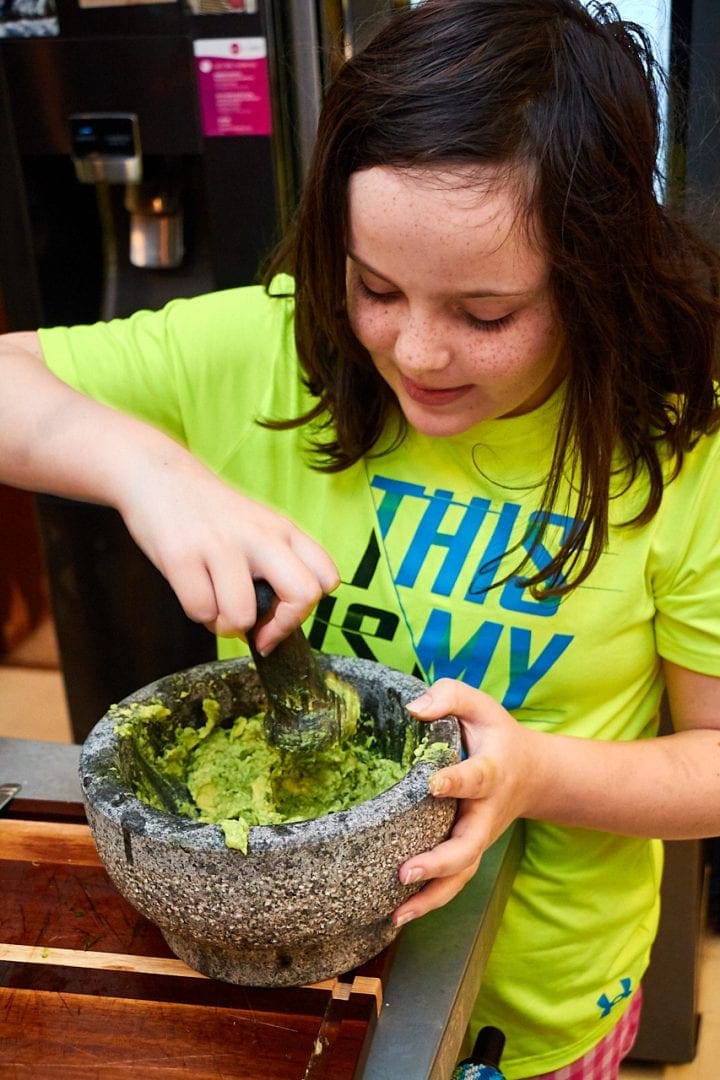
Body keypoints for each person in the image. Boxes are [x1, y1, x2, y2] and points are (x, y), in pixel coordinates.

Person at [1, 0, 719, 1075]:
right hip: (280, 989)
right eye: (376, 286)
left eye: (486, 315)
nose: (418, 350)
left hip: (536, 1012)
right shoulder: (270, 347)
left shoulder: (679, 446)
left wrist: (535, 774)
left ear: (595, 274)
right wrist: (145, 469)